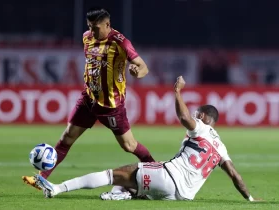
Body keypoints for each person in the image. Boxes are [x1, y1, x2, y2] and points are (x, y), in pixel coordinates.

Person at [33, 76, 261, 202]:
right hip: (182, 197)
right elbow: (236, 176)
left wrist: (177, 91)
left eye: (196, 114)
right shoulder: (221, 147)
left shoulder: (199, 126)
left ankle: (57, 188)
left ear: (202, 116)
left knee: (111, 175)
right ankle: (125, 195)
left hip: (168, 176)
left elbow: (183, 116)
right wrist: (250, 199)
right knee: (140, 183)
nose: (194, 116)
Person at [22, 7, 155, 190]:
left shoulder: (120, 42)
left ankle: (156, 169)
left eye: (96, 28)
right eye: (90, 27)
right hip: (88, 99)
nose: (92, 32)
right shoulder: (87, 37)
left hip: (111, 105)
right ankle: (40, 179)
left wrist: (136, 71)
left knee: (129, 145)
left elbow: (143, 67)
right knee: (67, 137)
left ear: (107, 25)